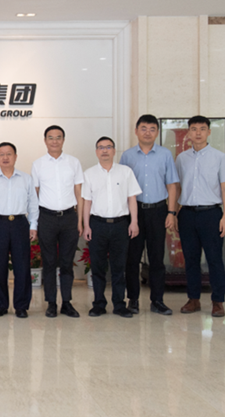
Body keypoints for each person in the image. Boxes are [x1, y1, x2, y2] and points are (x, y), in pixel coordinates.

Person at [120, 115, 179, 315]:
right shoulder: (127, 156)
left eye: (152, 129)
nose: (147, 132)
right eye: (143, 128)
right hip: (134, 212)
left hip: (158, 211)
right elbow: (121, 187)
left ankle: (157, 300)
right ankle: (133, 300)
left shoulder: (165, 155)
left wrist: (171, 212)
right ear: (136, 131)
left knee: (157, 258)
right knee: (132, 258)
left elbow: (172, 185)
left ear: (157, 132)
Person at [175, 116, 225, 318]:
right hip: (187, 214)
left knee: (214, 259)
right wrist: (174, 214)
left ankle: (218, 301)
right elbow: (177, 187)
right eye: (194, 129)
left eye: (202, 128)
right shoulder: (181, 159)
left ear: (209, 132)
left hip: (211, 214)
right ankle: (193, 299)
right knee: (190, 259)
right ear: (188, 133)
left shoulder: (219, 157)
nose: (198, 132)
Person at [82, 136, 141, 318]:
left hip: (120, 225)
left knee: (119, 267)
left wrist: (134, 222)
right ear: (96, 151)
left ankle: (119, 304)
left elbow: (132, 198)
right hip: (97, 225)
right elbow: (87, 202)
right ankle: (99, 304)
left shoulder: (125, 172)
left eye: (108, 147)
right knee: (98, 267)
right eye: (101, 147)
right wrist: (86, 226)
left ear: (114, 151)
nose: (105, 150)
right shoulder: (89, 174)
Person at [0, 142, 39, 318]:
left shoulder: (26, 179)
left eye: (9, 154)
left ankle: (21, 306)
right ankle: (0, 305)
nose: (5, 157)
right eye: (1, 154)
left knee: (22, 266)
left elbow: (33, 204)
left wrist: (33, 225)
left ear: (15, 156)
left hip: (20, 223)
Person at [31, 125, 84, 319]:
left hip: (69, 217)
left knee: (67, 262)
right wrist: (34, 223)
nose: (55, 141)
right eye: (51, 137)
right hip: (46, 217)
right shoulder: (38, 164)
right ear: (45, 140)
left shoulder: (73, 162)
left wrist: (80, 221)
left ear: (63, 140)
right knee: (49, 262)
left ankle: (67, 303)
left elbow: (79, 193)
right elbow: (34, 195)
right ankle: (51, 303)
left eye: (58, 137)